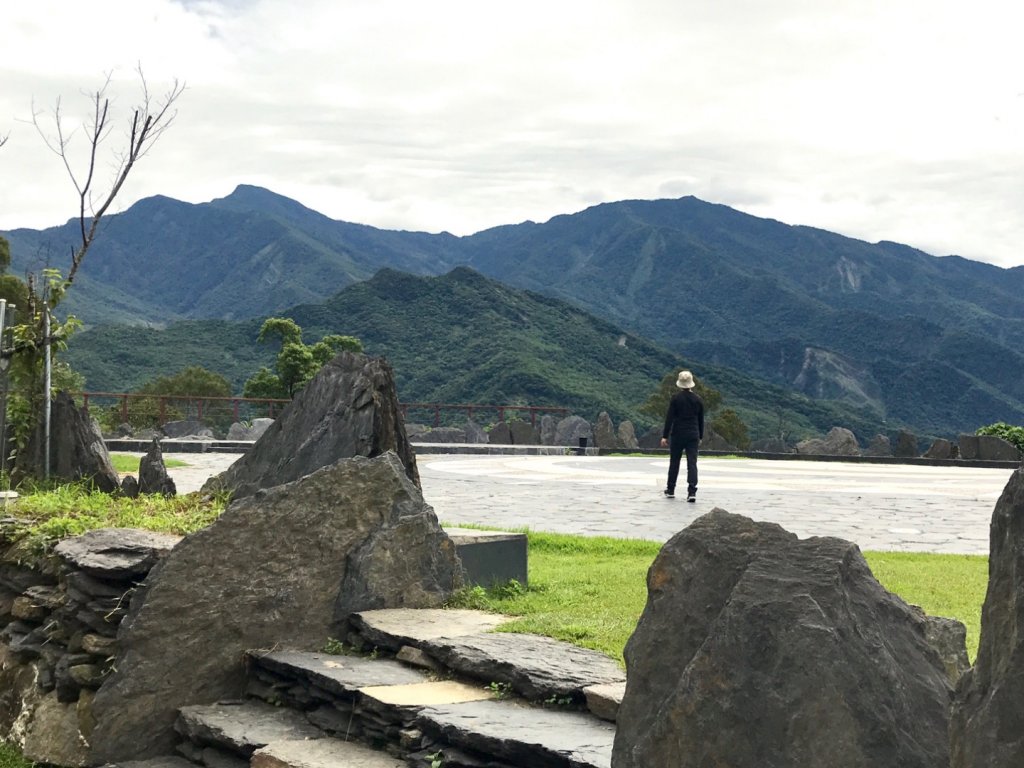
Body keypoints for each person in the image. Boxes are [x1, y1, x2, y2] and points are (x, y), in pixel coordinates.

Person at [660, 370, 704, 501]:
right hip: (693, 434)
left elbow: (670, 418)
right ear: (691, 384)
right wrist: (700, 436)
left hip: (678, 433)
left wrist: (665, 436)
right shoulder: (698, 400)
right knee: (692, 463)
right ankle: (692, 492)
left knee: (674, 462)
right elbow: (701, 420)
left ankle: (671, 489)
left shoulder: (675, 399)